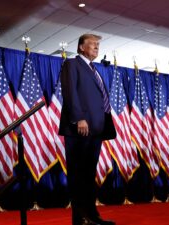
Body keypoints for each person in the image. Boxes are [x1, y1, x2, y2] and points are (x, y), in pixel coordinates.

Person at [59, 34, 116, 225]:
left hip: (96, 130)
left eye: (98, 45)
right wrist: (78, 118)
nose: (96, 47)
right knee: (78, 175)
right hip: (79, 128)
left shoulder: (95, 69)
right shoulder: (72, 64)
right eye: (92, 44)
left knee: (89, 175)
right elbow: (70, 92)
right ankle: (80, 218)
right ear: (81, 47)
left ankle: (92, 215)